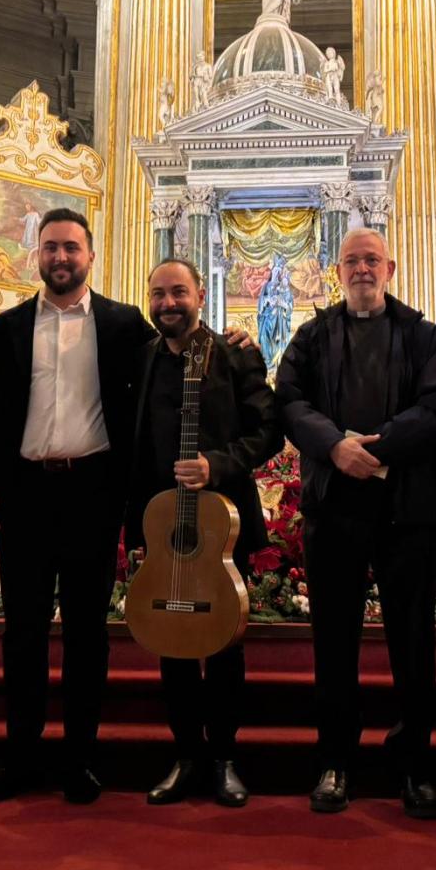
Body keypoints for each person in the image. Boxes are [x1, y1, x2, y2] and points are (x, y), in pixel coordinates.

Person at [0, 208, 153, 805]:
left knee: (86, 633)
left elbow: (178, 360)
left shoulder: (126, 325)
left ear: (91, 256)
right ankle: (19, 756)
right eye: (50, 248)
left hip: (93, 492)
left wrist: (229, 341)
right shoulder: (6, 326)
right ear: (37, 256)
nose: (60, 258)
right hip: (24, 492)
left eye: (71, 248)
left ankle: (80, 759)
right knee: (21, 632)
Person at [276, 227, 436, 818]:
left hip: (405, 509)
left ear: (391, 267)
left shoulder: (425, 335)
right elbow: (290, 402)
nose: (361, 269)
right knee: (333, 641)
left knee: (413, 642)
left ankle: (415, 766)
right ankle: (335, 761)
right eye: (351, 260)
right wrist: (334, 447)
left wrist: (373, 450)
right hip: (334, 507)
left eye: (371, 259)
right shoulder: (311, 335)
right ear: (337, 270)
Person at [127, 258, 282, 808]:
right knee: (171, 642)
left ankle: (224, 758)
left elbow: (268, 431)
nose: (169, 303)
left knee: (222, 644)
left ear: (200, 296)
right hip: (161, 522)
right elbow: (134, 446)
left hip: (222, 525)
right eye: (159, 294)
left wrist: (218, 464)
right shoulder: (140, 357)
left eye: (179, 293)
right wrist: (135, 528)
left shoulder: (236, 352)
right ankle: (186, 754)